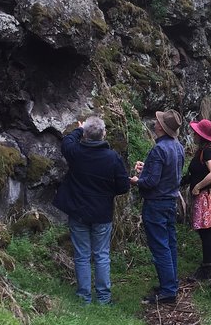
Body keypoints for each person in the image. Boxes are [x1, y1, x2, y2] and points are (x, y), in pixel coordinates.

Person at [53, 116, 130, 305]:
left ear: (85, 135)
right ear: (104, 134)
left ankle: (84, 297)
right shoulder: (113, 158)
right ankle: (104, 298)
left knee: (82, 255)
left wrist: (79, 129)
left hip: (78, 211)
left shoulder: (76, 152)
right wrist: (107, 193)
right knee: (102, 255)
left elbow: (67, 141)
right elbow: (124, 187)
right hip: (102, 212)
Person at [129, 110, 184, 305]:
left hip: (156, 204)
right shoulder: (178, 147)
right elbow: (168, 174)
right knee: (170, 244)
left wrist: (136, 180)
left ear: (161, 127)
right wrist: (147, 169)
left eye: (157, 121)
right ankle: (171, 284)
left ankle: (168, 291)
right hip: (170, 201)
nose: (155, 123)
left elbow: (151, 182)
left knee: (160, 246)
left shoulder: (159, 149)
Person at [184, 119, 211, 280]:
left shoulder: (207, 152)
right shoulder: (207, 150)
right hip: (210, 195)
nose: (193, 135)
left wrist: (198, 186)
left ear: (201, 136)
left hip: (205, 196)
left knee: (206, 232)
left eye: (196, 133)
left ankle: (206, 269)